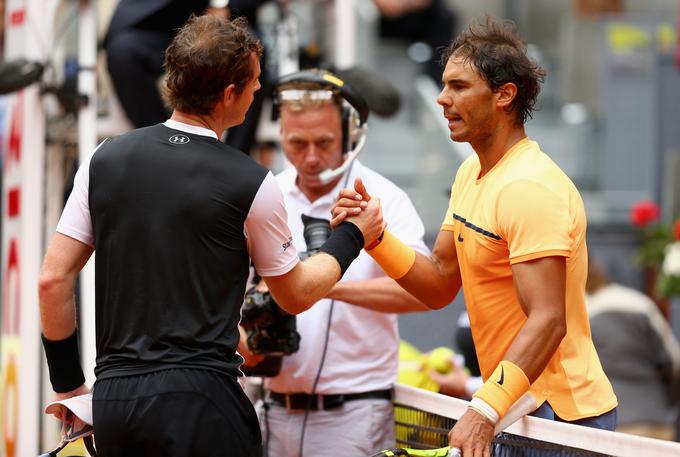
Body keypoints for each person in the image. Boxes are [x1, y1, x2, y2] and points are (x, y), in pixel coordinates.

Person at [38, 16, 383, 457]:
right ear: (229, 95)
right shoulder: (252, 181)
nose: (259, 92)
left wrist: (69, 387)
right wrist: (353, 235)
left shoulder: (103, 159)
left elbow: (52, 281)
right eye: (255, 84)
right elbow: (295, 293)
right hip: (203, 403)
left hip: (115, 405)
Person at [333, 17, 618, 456]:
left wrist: (483, 408)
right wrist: (377, 237)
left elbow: (548, 319)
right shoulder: (471, 172)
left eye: (459, 87)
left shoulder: (529, 187)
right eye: (445, 86)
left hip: (560, 419)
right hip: (514, 408)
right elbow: (441, 283)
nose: (443, 99)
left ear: (505, 95)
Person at [245, 69, 429, 457]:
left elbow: (424, 293)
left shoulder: (385, 198)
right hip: (270, 409)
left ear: (350, 134)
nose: (310, 157)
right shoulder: (264, 195)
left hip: (357, 414)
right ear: (281, 135)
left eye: (324, 142)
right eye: (297, 142)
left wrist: (317, 285)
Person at [105, 0, 267, 153]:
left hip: (226, 18)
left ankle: (234, 160)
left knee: (251, 54)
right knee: (122, 53)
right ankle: (168, 145)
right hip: (161, 22)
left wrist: (220, 3)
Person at [586, 256, 680, 440]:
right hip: (655, 421)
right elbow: (674, 363)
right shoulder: (640, 303)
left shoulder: (577, 313)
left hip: (606, 426)